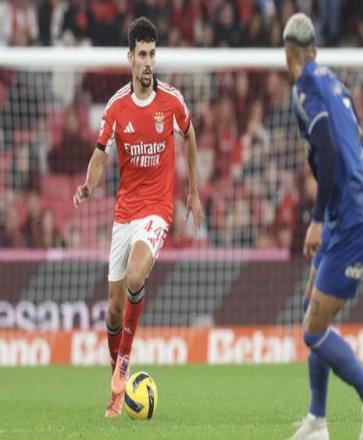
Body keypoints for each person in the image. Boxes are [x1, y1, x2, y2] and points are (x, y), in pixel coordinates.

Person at [73, 16, 203, 418]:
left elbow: (190, 136)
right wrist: (88, 185)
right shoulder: (116, 107)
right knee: (113, 310)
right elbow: (100, 156)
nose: (147, 62)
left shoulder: (172, 100)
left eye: (152, 54)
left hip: (157, 210)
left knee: (135, 276)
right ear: (130, 58)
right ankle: (116, 390)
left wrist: (193, 190)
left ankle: (123, 366)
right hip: (124, 212)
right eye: (141, 55)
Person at [283, 13, 363, 440]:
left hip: (349, 220)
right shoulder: (334, 82)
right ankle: (317, 421)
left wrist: (316, 221)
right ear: (313, 49)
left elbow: (327, 152)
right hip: (345, 212)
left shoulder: (305, 88)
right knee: (308, 308)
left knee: (313, 330)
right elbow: (354, 138)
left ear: (288, 52)